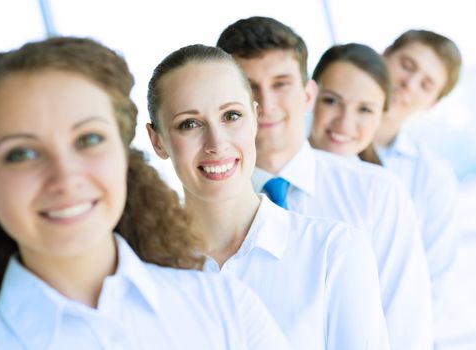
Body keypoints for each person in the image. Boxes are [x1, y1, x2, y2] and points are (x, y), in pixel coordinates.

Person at [0, 37, 290, 349]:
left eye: (89, 139)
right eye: (21, 154)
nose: (65, 177)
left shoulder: (224, 306)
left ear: (123, 154)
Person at [146, 43, 390, 350]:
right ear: (157, 141)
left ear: (255, 118)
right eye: (189, 124)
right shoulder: (145, 274)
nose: (217, 143)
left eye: (231, 116)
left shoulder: (333, 251)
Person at [218, 16, 434, 350]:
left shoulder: (378, 193)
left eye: (281, 83)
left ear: (307, 94)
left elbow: (407, 331)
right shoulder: (210, 210)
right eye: (249, 87)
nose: (267, 104)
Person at [374, 30, 462, 317]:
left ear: (432, 103)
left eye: (425, 85)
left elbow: (433, 278)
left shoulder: (433, 176)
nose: (408, 84)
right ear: (384, 54)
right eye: (407, 66)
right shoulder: (308, 136)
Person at [309, 43, 391, 165]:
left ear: (381, 116)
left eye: (364, 109)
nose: (344, 123)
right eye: (331, 101)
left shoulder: (381, 183)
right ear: (309, 97)